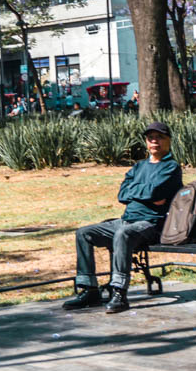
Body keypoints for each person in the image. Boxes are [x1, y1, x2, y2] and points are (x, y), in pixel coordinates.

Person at [62, 121, 182, 315]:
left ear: (168, 141)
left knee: (123, 234)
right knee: (84, 233)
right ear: (146, 142)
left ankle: (119, 292)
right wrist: (147, 194)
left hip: (151, 224)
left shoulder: (171, 167)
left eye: (159, 137)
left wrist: (139, 192)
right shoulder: (138, 167)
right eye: (151, 138)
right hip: (126, 220)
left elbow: (155, 191)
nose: (154, 141)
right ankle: (89, 289)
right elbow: (122, 194)